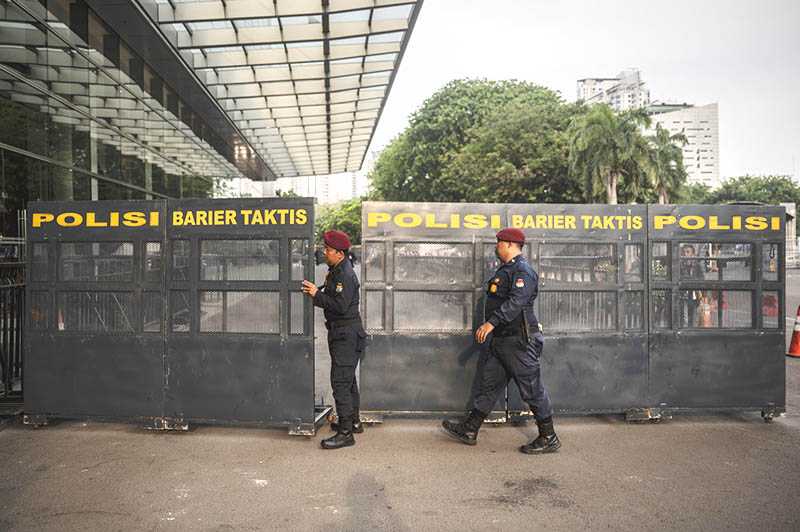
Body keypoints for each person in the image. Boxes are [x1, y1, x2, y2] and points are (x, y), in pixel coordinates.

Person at [442, 228, 560, 454]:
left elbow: (516, 303)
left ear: (508, 244)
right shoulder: (507, 269)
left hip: (519, 342)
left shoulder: (522, 271)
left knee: (532, 389)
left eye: (498, 243)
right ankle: (470, 429)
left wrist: (490, 324)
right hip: (503, 341)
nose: (496, 247)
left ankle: (549, 436)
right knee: (489, 385)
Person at [301, 230, 366, 450]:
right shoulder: (337, 270)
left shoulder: (344, 275)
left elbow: (340, 305)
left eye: (328, 250)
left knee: (340, 382)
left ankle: (346, 433)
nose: (325, 253)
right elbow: (333, 295)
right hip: (344, 333)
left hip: (345, 335)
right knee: (348, 381)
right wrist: (318, 291)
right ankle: (353, 421)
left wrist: (316, 296)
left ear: (339, 253)